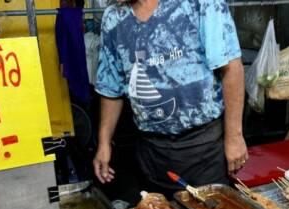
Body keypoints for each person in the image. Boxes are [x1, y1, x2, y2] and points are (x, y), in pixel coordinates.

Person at [93, 0, 248, 195]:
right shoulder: (113, 17)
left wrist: (234, 137)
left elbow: (231, 68)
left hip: (203, 148)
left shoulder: (200, 3)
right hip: (151, 152)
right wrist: (104, 143)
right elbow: (111, 88)